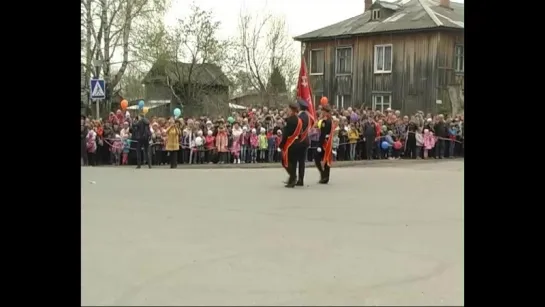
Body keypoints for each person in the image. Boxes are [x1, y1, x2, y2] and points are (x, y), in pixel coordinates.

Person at [278, 102, 303, 188]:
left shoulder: (290, 120)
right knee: (292, 162)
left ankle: (293, 178)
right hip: (297, 143)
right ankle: (292, 179)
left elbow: (286, 134)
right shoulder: (299, 120)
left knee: (286, 162)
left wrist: (281, 145)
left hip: (290, 144)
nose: (287, 111)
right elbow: (301, 133)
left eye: (288, 110)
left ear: (292, 111)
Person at [314, 104, 334, 184]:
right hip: (327, 141)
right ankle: (325, 176)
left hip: (325, 142)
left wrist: (319, 145)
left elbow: (323, 134)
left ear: (326, 112)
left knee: (318, 157)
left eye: (323, 111)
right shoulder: (329, 120)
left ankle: (324, 175)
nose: (321, 112)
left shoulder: (325, 121)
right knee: (325, 159)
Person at [295, 99, 312, 186]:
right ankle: (300, 179)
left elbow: (298, 129)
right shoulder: (307, 116)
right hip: (305, 140)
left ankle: (294, 178)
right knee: (301, 161)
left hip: (299, 141)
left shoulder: (300, 117)